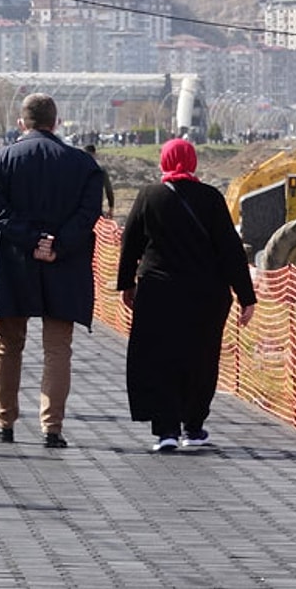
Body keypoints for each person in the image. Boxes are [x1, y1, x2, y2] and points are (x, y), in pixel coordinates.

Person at [117, 138, 256, 452]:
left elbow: (130, 245)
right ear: (192, 162)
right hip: (206, 296)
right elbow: (231, 251)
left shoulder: (149, 196)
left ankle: (165, 430)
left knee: (159, 358)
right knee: (201, 358)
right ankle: (193, 426)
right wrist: (247, 297)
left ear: (164, 161)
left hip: (158, 293)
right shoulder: (210, 198)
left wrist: (127, 284)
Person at [0, 93, 103, 448]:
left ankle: (4, 420)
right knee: (58, 348)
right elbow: (88, 213)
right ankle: (52, 427)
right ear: (57, 122)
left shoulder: (3, 159)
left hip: (15, 262)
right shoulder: (82, 164)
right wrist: (56, 244)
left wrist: (31, 239)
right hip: (64, 264)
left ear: (22, 123)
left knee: (7, 343)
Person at [84, 145, 115, 219]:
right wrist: (111, 206)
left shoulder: (79, 169)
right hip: (96, 207)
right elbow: (109, 189)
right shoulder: (100, 169)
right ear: (94, 154)